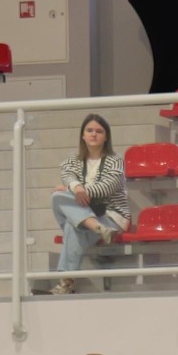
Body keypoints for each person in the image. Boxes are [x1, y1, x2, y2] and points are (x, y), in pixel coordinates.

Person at [49, 113, 132, 295]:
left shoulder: (115, 159)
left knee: (72, 224)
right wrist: (75, 188)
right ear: (83, 135)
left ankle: (65, 283)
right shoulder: (73, 160)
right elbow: (68, 176)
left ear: (106, 137)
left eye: (99, 131)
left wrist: (74, 189)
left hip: (111, 216)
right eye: (89, 130)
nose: (93, 134)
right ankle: (97, 228)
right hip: (91, 217)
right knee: (57, 197)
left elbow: (107, 187)